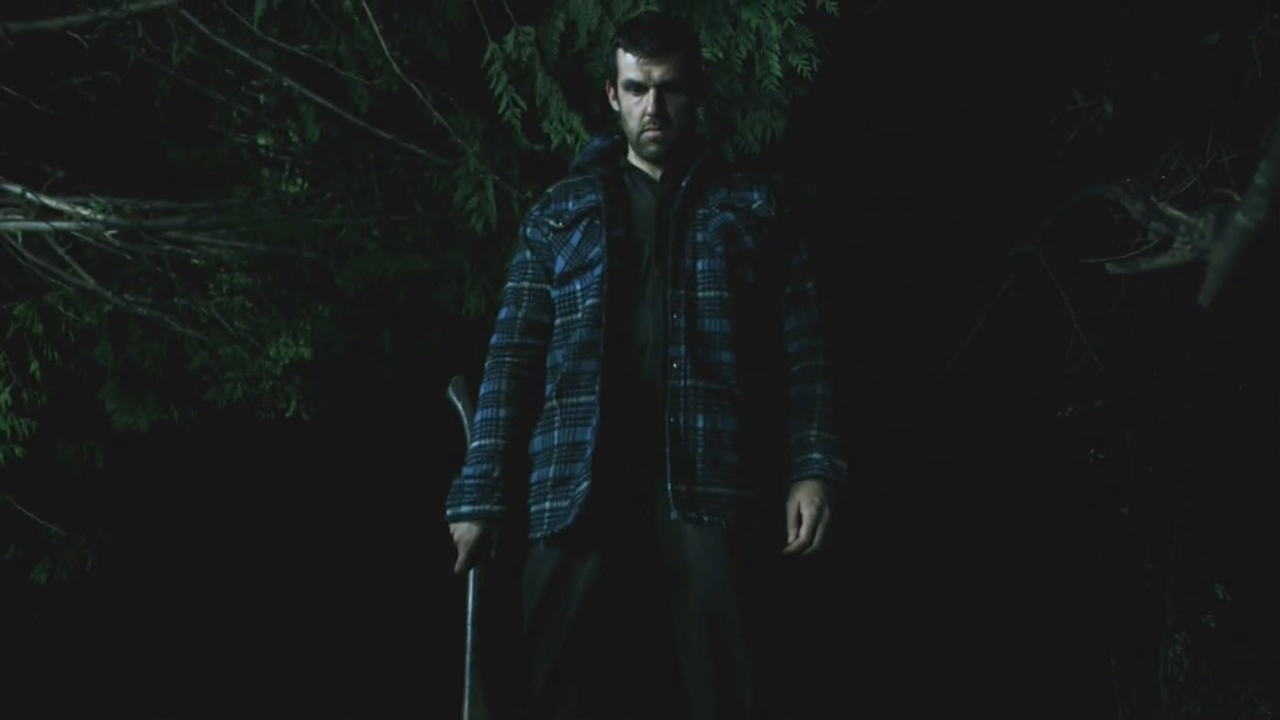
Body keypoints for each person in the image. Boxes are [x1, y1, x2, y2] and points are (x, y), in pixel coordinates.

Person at [446, 10, 846, 720]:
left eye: (669, 88)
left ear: (696, 93)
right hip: (578, 479)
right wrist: (480, 496)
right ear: (613, 95)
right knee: (553, 687)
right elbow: (512, 359)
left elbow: (804, 348)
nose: (653, 106)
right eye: (636, 88)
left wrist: (811, 468)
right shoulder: (560, 213)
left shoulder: (752, 207)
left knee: (730, 688)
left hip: (710, 474)